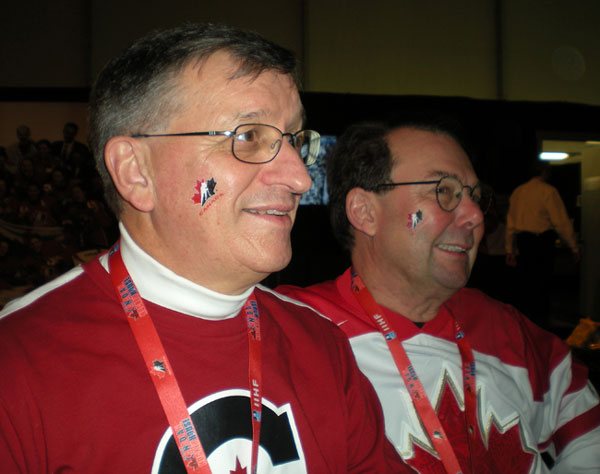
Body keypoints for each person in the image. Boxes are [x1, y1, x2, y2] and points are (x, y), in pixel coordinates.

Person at [0, 24, 407, 473]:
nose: (300, 179)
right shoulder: (18, 364)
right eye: (249, 137)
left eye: (293, 140)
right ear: (137, 172)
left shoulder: (321, 346)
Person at [278, 120, 600, 473]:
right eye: (444, 191)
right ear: (365, 212)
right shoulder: (296, 330)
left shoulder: (506, 328)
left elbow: (587, 425)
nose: (476, 216)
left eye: (475, 197)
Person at [505, 162, 580, 328]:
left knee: (528, 283)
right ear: (545, 172)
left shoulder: (519, 191)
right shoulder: (548, 191)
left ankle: (527, 321)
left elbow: (510, 222)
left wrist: (510, 249)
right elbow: (560, 221)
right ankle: (541, 322)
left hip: (524, 241)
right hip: (542, 241)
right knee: (543, 283)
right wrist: (573, 246)